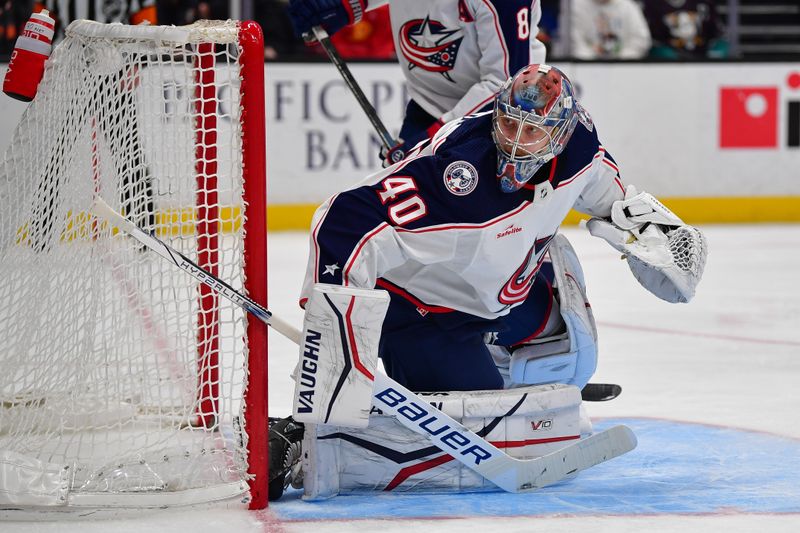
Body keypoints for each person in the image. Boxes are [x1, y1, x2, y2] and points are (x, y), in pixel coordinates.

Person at [268, 64, 707, 498]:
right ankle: (297, 438)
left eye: (533, 131)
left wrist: (650, 234)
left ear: (561, 133)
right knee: (476, 438)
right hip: (425, 311)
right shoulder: (458, 175)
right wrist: (338, 325)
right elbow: (342, 219)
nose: (516, 141)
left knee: (571, 353)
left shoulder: (580, 148)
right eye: (509, 123)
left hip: (508, 288)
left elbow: (612, 201)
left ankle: (507, 377)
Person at [286, 0, 547, 165]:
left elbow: (506, 85)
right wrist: (341, 6)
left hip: (512, 119)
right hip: (429, 108)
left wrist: (431, 139)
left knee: (502, 224)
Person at [641, 0, 727, 59]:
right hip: (668, 65)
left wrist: (713, 55)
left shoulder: (705, 3)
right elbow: (649, 40)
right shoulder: (650, 5)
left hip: (703, 59)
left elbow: (718, 36)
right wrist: (663, 53)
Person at [570, 0, 651, 60]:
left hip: (623, 69)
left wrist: (620, 61)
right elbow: (574, 42)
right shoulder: (575, 6)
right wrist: (592, 62)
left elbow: (641, 40)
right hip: (586, 69)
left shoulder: (629, 6)